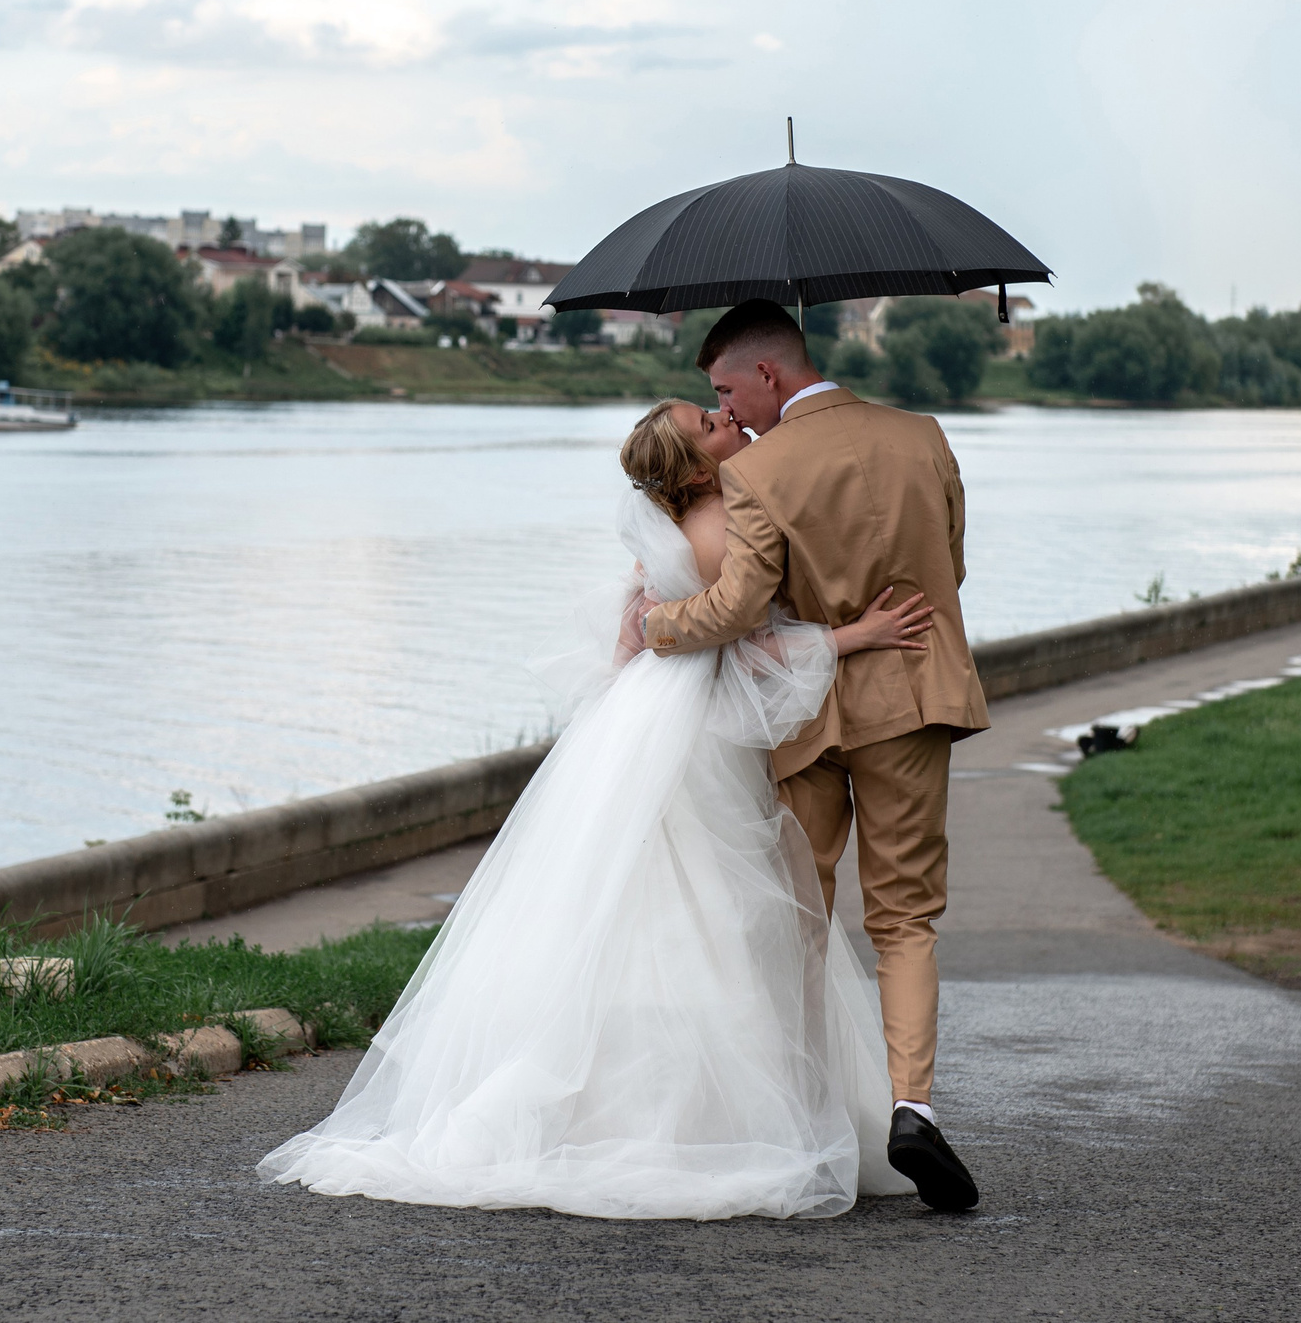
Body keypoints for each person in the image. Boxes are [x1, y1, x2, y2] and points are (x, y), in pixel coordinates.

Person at [257, 397, 930, 1219]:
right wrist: (851, 637)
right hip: (696, 728)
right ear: (694, 468)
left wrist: (621, 705)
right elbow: (745, 642)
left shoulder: (663, 526)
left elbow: (630, 635)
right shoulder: (726, 520)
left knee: (628, 907)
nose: (731, 420)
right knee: (713, 909)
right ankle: (701, 1122)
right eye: (713, 423)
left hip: (642, 712)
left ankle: (616, 1104)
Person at [628, 297, 991, 1213]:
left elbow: (741, 606)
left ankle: (801, 1117)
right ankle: (912, 1106)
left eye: (726, 389)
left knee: (804, 916)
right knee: (906, 917)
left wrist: (655, 625)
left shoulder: (760, 470)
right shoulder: (924, 434)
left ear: (768, 374)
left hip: (811, 720)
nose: (729, 410)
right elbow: (952, 560)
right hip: (912, 694)